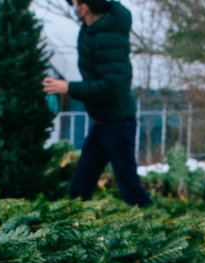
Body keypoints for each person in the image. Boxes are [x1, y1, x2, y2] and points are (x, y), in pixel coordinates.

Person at [43, 0, 152, 207]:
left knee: (130, 189)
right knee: (80, 187)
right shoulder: (91, 29)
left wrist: (68, 88)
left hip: (118, 124)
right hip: (103, 122)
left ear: (84, 7)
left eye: (74, 2)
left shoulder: (107, 37)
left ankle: (163, 233)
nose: (72, 5)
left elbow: (111, 87)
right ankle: (74, 228)